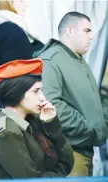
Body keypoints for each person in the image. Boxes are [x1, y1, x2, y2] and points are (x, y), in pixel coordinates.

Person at [34, 12, 108, 176]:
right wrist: (87, 128)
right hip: (69, 154)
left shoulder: (77, 60)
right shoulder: (51, 59)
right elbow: (49, 103)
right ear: (70, 31)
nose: (91, 36)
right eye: (86, 31)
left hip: (84, 151)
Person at [0, 59, 74, 178]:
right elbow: (31, 180)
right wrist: (57, 175)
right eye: (36, 91)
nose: (43, 97)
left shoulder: (31, 121)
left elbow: (67, 163)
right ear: (16, 93)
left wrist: (52, 124)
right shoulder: (7, 132)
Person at [0, 0, 43, 68]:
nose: (25, 4)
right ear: (8, 3)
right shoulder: (11, 30)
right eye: (20, 1)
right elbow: (26, 68)